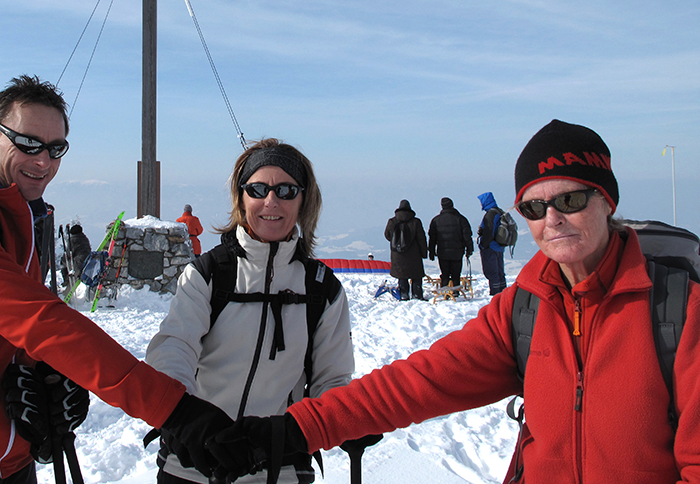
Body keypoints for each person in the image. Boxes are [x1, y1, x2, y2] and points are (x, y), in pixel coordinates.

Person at [208, 119, 700, 484]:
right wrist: (290, 432)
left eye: (570, 200)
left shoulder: (678, 311)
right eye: (534, 206)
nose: (552, 218)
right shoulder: (527, 307)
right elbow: (419, 383)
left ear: (607, 201)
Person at [0, 75, 232, 484]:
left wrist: (44, 375)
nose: (44, 161)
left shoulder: (26, 217)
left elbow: (13, 338)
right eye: (28, 143)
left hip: (11, 465)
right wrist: (172, 408)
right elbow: (37, 320)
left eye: (56, 149)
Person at [146, 138, 355, 484]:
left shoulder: (321, 290)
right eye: (257, 189)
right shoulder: (209, 275)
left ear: (304, 201)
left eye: (286, 190)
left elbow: (331, 381)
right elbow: (173, 347)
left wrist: (344, 418)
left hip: (279, 465)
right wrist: (185, 416)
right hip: (193, 461)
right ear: (241, 199)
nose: (270, 201)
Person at [384, 200, 428, 300]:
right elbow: (421, 238)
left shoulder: (392, 221)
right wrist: (424, 252)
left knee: (401, 275)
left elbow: (387, 235)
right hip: (414, 254)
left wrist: (396, 243)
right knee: (416, 275)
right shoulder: (416, 222)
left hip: (397, 254)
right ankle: (417, 294)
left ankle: (404, 294)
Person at [427, 197, 473, 291]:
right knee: (456, 273)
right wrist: (469, 249)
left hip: (442, 252)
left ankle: (445, 291)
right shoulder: (461, 219)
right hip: (457, 251)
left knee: (445, 273)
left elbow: (432, 238)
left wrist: (431, 251)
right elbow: (467, 236)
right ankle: (455, 291)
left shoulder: (436, 220)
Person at [478, 191, 508, 295]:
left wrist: (483, 245)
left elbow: (489, 231)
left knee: (492, 272)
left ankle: (495, 293)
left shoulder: (490, 214)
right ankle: (502, 291)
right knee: (500, 271)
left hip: (491, 247)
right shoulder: (500, 212)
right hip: (499, 246)